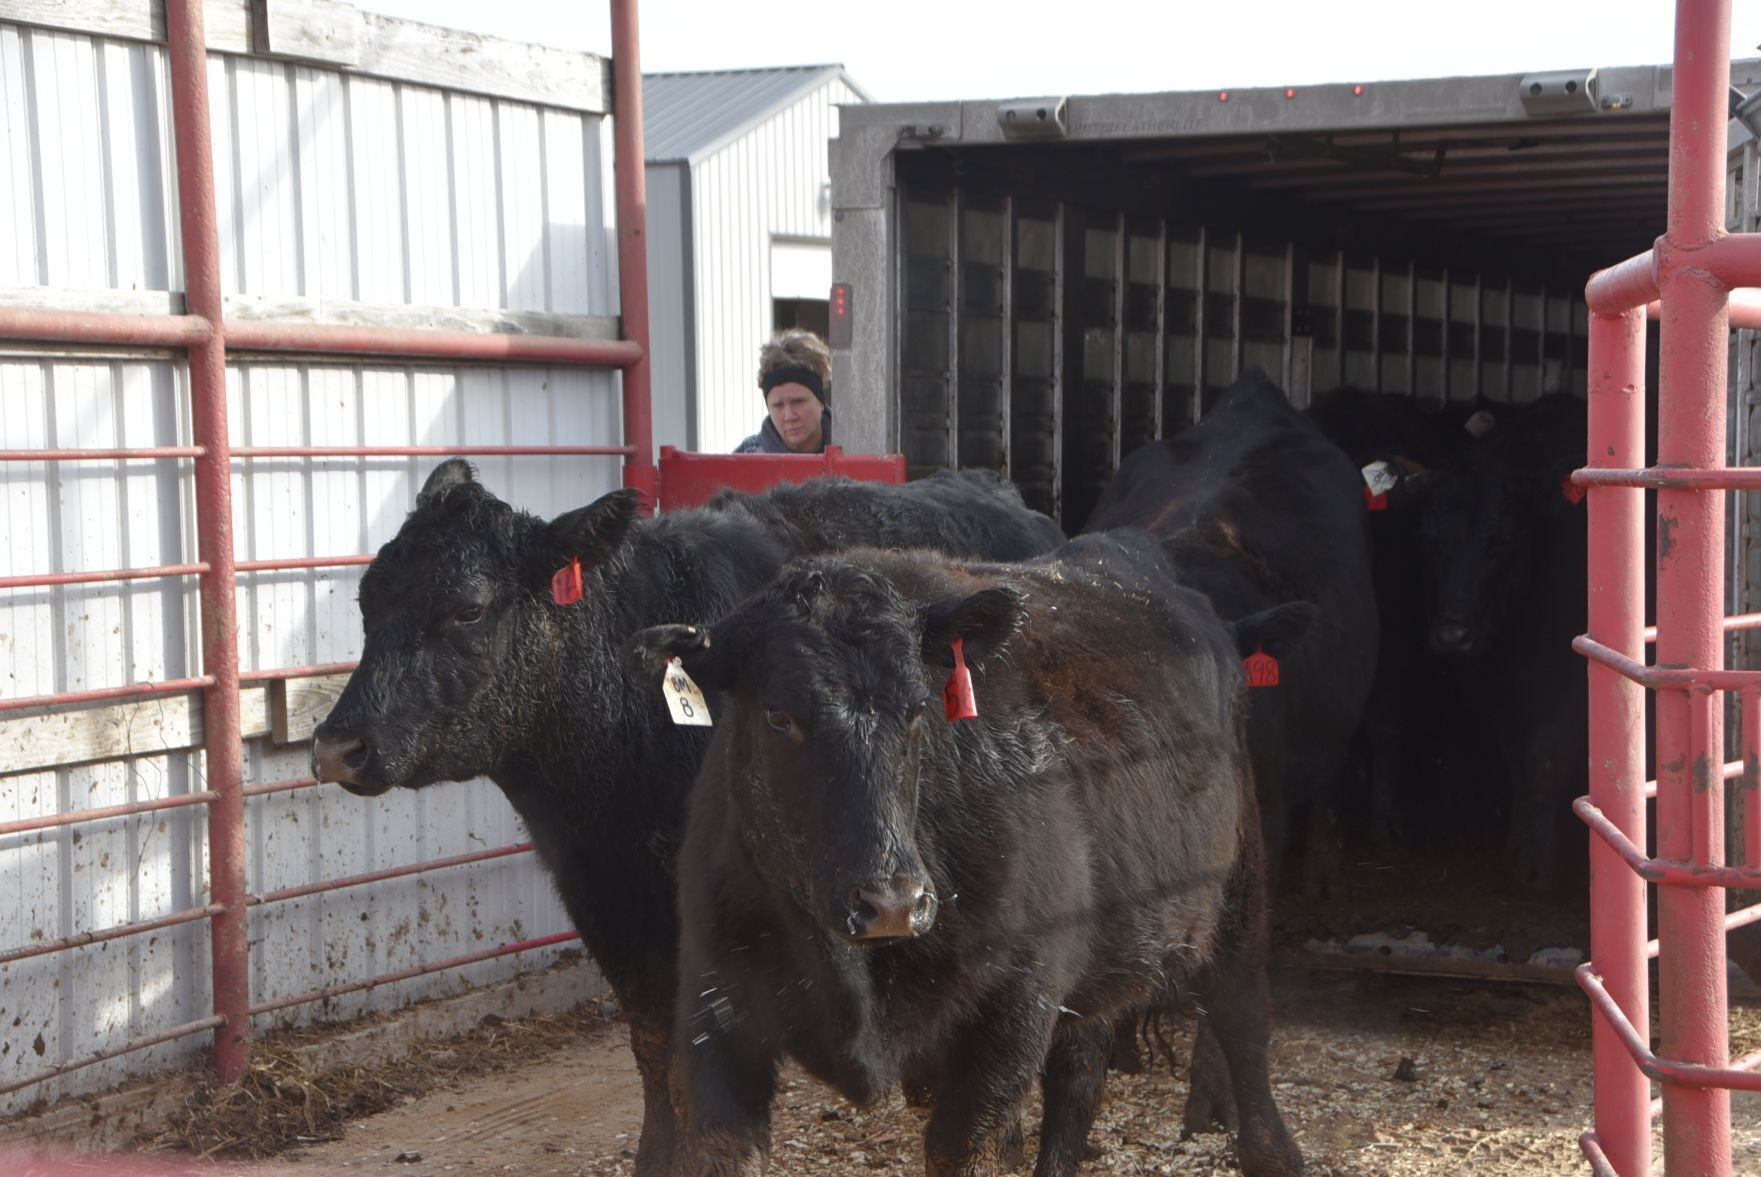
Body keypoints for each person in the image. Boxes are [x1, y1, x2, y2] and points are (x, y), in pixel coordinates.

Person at [735, 328, 831, 453]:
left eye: (798, 401)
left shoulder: (856, 445)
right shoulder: (747, 458)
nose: (789, 416)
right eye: (778, 405)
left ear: (820, 401)